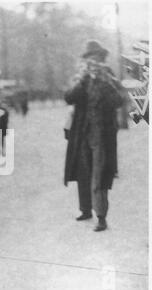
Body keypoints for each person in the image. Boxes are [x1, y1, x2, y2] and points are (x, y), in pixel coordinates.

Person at [64, 40, 125, 232]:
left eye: (96, 58)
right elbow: (68, 97)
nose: (93, 62)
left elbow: (120, 100)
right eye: (90, 59)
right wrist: (82, 80)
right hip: (82, 133)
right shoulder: (80, 78)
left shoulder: (109, 77)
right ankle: (85, 209)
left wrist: (105, 84)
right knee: (83, 172)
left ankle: (101, 216)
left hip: (102, 135)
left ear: (101, 60)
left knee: (99, 175)